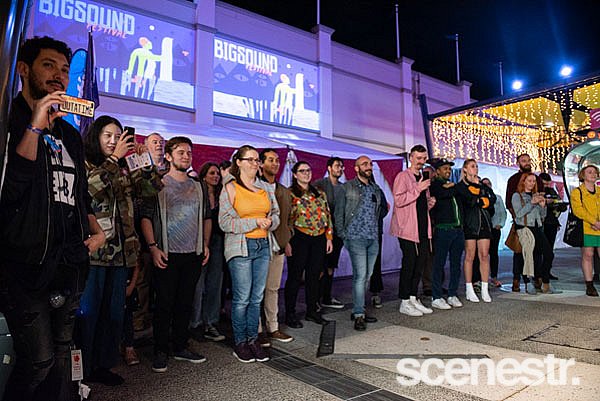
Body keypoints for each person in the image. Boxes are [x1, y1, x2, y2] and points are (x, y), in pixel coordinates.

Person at [0, 36, 105, 401]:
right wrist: (34, 126)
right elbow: (9, 191)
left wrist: (96, 231)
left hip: (69, 263)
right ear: (23, 69)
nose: (59, 76)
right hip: (25, 267)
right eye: (48, 65)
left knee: (60, 357)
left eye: (64, 70)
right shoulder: (9, 121)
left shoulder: (70, 135)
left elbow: (80, 195)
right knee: (38, 362)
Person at [80, 116, 161, 385]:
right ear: (96, 137)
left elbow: (150, 191)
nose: (114, 141)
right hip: (95, 252)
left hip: (121, 254)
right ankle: (82, 368)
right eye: (108, 136)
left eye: (118, 136)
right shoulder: (87, 163)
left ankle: (102, 365)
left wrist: (143, 162)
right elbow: (90, 190)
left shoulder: (125, 167)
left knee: (114, 314)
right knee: (89, 313)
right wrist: (114, 159)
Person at [141, 137, 212, 372]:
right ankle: (160, 350)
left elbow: (206, 217)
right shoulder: (159, 183)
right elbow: (146, 217)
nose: (186, 156)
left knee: (185, 302)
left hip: (193, 253)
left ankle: (181, 346)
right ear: (169, 156)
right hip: (166, 253)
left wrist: (205, 244)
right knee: (164, 303)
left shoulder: (198, 185)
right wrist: (153, 247)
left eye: (189, 152)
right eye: (180, 152)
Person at [219, 145, 280, 363]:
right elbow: (224, 222)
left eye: (257, 160)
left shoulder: (266, 188)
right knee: (242, 298)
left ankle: (253, 340)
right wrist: (254, 222)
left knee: (256, 298)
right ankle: (240, 343)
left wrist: (271, 222)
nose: (255, 163)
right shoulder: (230, 188)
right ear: (239, 162)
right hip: (241, 246)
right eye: (250, 159)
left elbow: (276, 214)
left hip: (263, 244)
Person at [336, 156, 388, 330]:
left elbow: (382, 210)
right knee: (360, 276)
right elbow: (338, 213)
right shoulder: (347, 187)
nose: (369, 167)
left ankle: (359, 309)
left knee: (367, 276)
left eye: (370, 164)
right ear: (356, 168)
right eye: (365, 164)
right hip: (355, 237)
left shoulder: (375, 188)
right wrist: (343, 234)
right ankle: (359, 313)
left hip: (373, 238)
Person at [285, 161, 334, 327]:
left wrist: (329, 237)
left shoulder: (319, 193)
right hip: (299, 237)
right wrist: (286, 242)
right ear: (295, 174)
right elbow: (286, 219)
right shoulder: (290, 193)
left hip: (318, 237)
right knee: (295, 276)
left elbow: (327, 215)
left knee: (314, 276)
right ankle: (290, 314)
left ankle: (312, 311)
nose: (306, 173)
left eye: (308, 170)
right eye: (302, 171)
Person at [390, 145, 435, 317]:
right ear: (411, 158)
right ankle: (404, 301)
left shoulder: (423, 178)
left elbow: (419, 203)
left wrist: (429, 203)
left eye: (423, 159)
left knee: (419, 265)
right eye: (418, 158)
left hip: (422, 227)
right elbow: (399, 200)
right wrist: (418, 188)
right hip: (407, 229)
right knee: (409, 264)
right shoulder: (403, 176)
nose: (421, 162)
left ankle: (413, 297)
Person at [258, 149, 293, 343]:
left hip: (278, 246)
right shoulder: (254, 186)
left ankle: (273, 327)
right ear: (261, 164)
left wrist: (287, 239)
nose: (275, 163)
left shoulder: (284, 190)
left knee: (272, 288)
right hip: (257, 245)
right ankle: (256, 330)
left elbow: (289, 219)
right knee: (256, 291)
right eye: (270, 160)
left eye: (277, 160)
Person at [189, 163, 226, 342]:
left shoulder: (222, 195)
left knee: (215, 284)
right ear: (203, 175)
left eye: (218, 173)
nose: (216, 176)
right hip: (199, 240)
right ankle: (195, 323)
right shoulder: (196, 192)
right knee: (197, 284)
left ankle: (211, 322)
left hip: (218, 242)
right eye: (212, 173)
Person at [455, 159, 496, 303]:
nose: (476, 168)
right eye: (472, 166)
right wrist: (479, 198)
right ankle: (469, 287)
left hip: (484, 222)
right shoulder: (461, 186)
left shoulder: (482, 185)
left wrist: (484, 200)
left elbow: (492, 198)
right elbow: (469, 200)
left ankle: (484, 288)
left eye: (477, 166)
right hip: (470, 223)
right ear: (465, 169)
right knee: (470, 256)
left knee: (484, 255)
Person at [511, 173, 558, 294]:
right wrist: (532, 203)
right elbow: (519, 214)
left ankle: (545, 281)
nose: (532, 183)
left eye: (534, 181)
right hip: (525, 228)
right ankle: (528, 282)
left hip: (538, 228)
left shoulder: (535, 195)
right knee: (527, 256)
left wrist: (543, 206)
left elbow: (542, 216)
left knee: (548, 254)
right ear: (523, 182)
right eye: (529, 181)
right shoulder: (517, 196)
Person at [429, 158, 464, 310]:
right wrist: (454, 187)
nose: (448, 171)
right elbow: (444, 193)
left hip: (457, 229)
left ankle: (452, 294)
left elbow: (461, 192)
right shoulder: (434, 185)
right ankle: (436, 296)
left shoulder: (451, 185)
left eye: (449, 169)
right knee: (439, 264)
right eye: (445, 169)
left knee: (456, 264)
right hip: (443, 229)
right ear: (437, 171)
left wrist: (453, 187)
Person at [506, 154, 544, 292]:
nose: (527, 163)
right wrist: (517, 218)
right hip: (521, 221)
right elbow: (509, 202)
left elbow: (541, 196)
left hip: (536, 221)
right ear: (518, 163)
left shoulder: (537, 179)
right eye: (523, 161)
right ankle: (516, 279)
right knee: (519, 251)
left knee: (537, 251)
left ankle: (538, 277)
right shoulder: (513, 180)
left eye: (528, 160)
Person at [314, 157, 346, 309]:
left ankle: (327, 297)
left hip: (337, 232)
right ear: (329, 168)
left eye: (341, 166)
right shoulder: (319, 184)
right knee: (319, 266)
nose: (340, 169)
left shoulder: (343, 187)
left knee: (331, 266)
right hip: (322, 232)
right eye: (337, 166)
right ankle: (315, 299)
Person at [570, 165, 600, 297]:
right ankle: (589, 284)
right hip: (586, 228)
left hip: (599, 227)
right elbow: (578, 210)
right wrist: (594, 222)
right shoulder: (577, 192)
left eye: (595, 172)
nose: (593, 174)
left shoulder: (599, 191)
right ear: (583, 175)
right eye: (590, 172)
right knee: (588, 255)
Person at [539, 172, 567, 280]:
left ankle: (546, 271)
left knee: (549, 250)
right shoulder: (536, 192)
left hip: (552, 222)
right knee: (540, 250)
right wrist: (546, 202)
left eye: (547, 184)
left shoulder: (551, 191)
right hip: (541, 223)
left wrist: (560, 205)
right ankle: (538, 273)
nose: (546, 186)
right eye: (544, 184)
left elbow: (559, 203)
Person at [481, 178, 506, 287]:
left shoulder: (497, 198)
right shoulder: (480, 198)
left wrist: (500, 224)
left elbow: (503, 212)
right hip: (484, 230)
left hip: (495, 228)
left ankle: (494, 276)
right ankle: (483, 277)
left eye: (488, 183)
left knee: (494, 253)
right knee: (483, 254)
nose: (487, 186)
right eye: (484, 184)